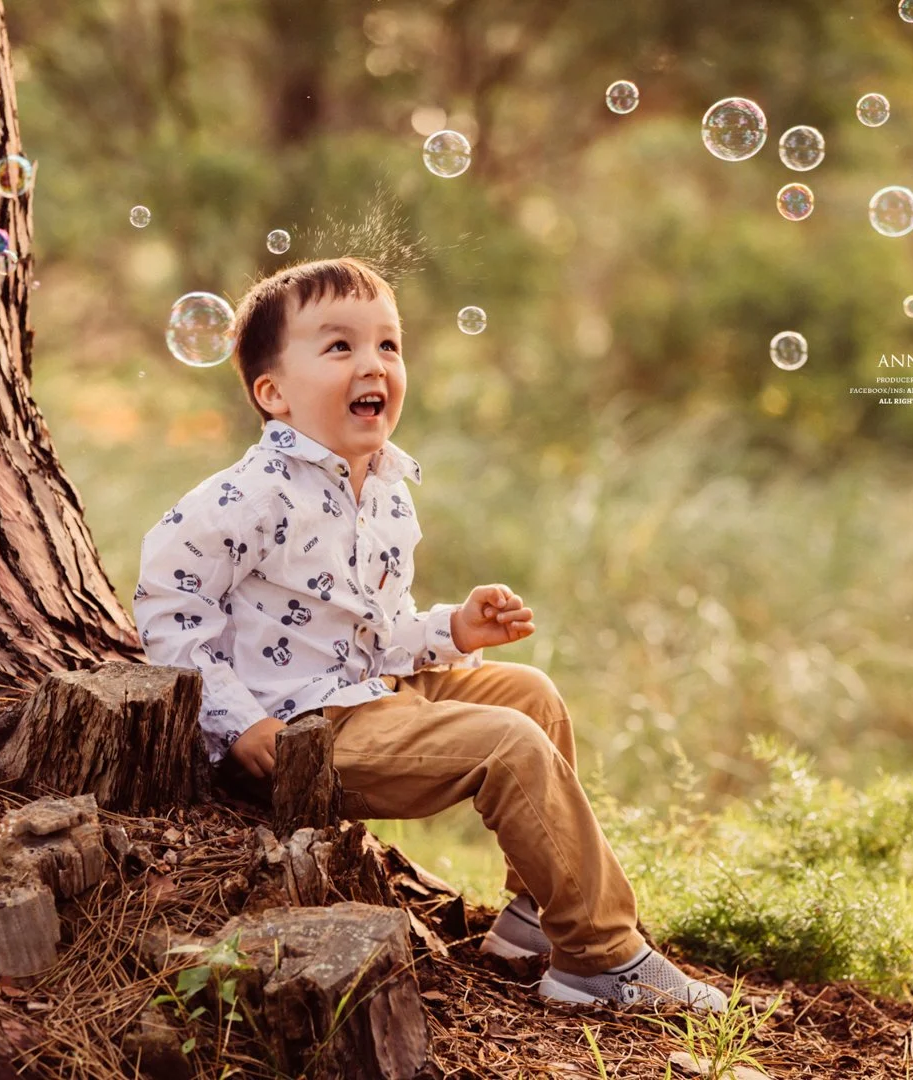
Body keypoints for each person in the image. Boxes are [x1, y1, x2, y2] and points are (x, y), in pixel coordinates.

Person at [134, 257, 726, 1011]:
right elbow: (169, 610)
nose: (373, 363)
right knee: (508, 744)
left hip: (367, 689)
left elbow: (376, 631)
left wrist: (452, 627)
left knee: (530, 695)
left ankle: (536, 918)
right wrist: (240, 720)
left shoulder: (382, 486)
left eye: (388, 345)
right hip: (302, 733)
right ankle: (601, 959)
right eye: (339, 347)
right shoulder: (243, 496)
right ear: (273, 393)